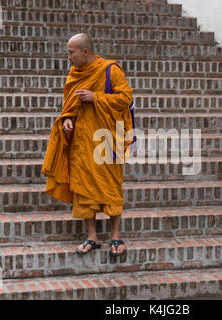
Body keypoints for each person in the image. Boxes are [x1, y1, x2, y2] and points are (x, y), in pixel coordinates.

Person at [42, 33, 134, 256]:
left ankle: (115, 238)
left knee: (111, 187)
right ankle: (92, 237)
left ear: (85, 51)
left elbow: (126, 99)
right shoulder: (74, 74)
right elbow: (69, 105)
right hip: (82, 141)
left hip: (106, 139)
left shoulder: (111, 70)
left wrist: (96, 97)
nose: (68, 57)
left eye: (71, 52)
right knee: (82, 190)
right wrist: (66, 119)